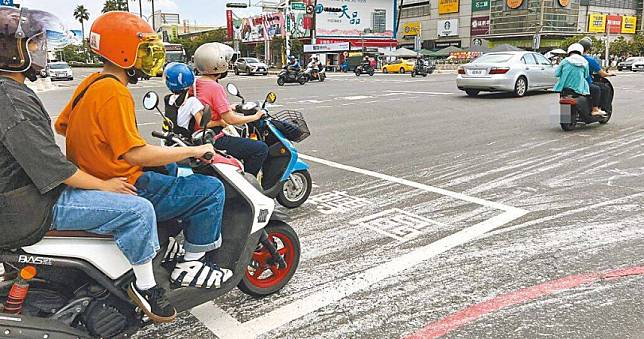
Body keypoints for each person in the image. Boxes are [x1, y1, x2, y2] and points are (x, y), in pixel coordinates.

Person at [0, 7, 177, 323]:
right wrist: (105, 184)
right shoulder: (10, 99)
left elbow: (59, 133)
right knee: (138, 209)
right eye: (34, 44)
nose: (42, 51)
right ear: (11, 51)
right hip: (32, 205)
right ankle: (146, 288)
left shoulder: (13, 91)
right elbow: (53, 167)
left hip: (24, 196)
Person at [54, 12, 233, 316]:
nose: (151, 57)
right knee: (210, 190)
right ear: (123, 52)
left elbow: (62, 125)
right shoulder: (114, 92)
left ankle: (166, 245)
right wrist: (192, 151)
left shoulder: (92, 83)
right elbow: (134, 154)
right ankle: (192, 263)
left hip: (95, 175)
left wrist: (101, 145)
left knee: (171, 173)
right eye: (145, 50)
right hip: (124, 183)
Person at [190, 42, 268, 176]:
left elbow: (207, 105)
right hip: (214, 137)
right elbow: (230, 119)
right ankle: (249, 186)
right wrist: (255, 117)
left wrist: (230, 107)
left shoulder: (196, 83)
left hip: (199, 134)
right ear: (217, 63)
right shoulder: (215, 87)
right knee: (260, 148)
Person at [554, 43, 605, 116]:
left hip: (564, 87)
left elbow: (557, 74)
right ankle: (595, 109)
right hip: (579, 87)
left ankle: (565, 116)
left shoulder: (564, 61)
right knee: (596, 89)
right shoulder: (584, 62)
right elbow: (586, 75)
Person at [579, 37, 614, 115]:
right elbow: (602, 74)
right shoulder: (589, 60)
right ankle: (596, 109)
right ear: (588, 48)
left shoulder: (567, 60)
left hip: (567, 84)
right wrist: (609, 74)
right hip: (584, 83)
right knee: (603, 88)